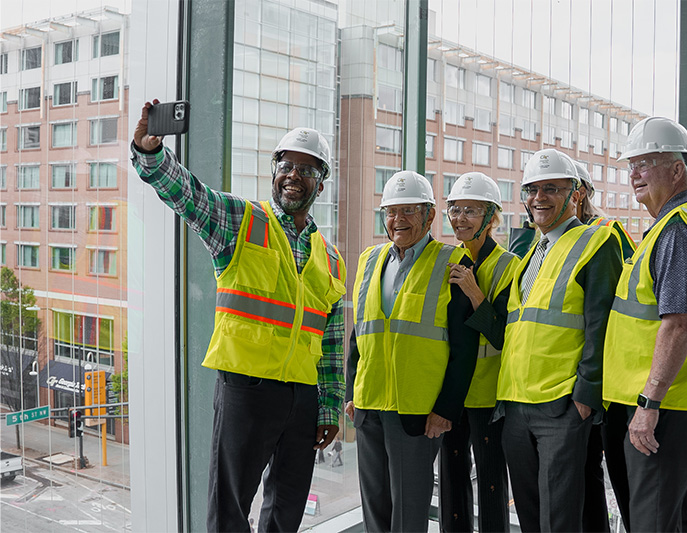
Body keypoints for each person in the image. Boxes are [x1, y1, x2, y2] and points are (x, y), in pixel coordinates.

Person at [131, 101, 346, 532]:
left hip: (302, 397)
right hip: (246, 390)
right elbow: (187, 194)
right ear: (273, 172)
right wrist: (150, 152)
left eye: (307, 170)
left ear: (320, 185)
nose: (294, 176)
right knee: (231, 509)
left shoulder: (333, 259)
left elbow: (331, 343)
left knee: (286, 511)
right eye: (287, 165)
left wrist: (329, 407)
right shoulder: (239, 221)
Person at [602, 117, 687, 532]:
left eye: (646, 163)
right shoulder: (673, 226)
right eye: (631, 165)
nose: (635, 174)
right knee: (681, 516)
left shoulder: (679, 232)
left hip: (663, 407)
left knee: (652, 520)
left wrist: (648, 404)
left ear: (677, 169)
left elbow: (679, 324)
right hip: (673, 401)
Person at [344, 170, 479, 532]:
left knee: (409, 513)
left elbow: (465, 347)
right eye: (390, 211)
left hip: (418, 411)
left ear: (429, 216)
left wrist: (446, 409)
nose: (397, 220)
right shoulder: (370, 260)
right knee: (374, 508)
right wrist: (351, 390)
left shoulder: (454, 262)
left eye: (408, 211)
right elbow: (362, 331)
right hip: (369, 405)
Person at [496, 149, 622, 532]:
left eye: (551, 189)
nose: (539, 198)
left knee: (560, 519)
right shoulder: (532, 250)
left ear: (576, 194)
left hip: (561, 407)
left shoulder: (596, 244)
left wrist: (585, 398)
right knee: (531, 516)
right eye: (531, 190)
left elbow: (602, 326)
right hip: (516, 404)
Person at [438, 172, 519, 533]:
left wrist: (474, 291)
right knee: (451, 480)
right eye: (454, 209)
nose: (460, 218)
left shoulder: (508, 266)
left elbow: (501, 334)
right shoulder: (446, 259)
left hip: (488, 394)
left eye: (471, 210)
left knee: (490, 483)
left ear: (491, 217)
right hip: (452, 392)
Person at [572, 160, 636, 533]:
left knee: (613, 474)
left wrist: (589, 387)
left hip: (604, 383)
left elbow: (602, 319)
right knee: (584, 475)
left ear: (579, 195)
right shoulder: (552, 239)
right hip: (576, 380)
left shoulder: (603, 234)